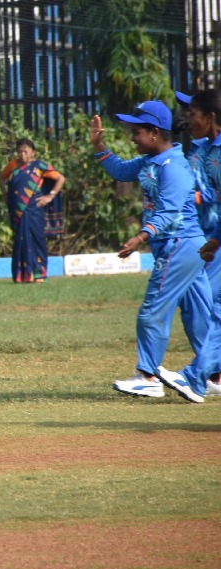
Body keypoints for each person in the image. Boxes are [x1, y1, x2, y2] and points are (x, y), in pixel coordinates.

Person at [90, 103, 212, 403]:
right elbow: (119, 169)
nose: (133, 138)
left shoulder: (175, 166)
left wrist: (140, 237)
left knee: (153, 310)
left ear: (155, 133)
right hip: (184, 247)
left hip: (179, 245)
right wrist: (98, 145)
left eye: (137, 132)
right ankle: (214, 376)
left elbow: (169, 211)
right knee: (199, 313)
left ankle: (147, 378)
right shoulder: (151, 162)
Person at [178, 90, 221, 398]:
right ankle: (207, 374)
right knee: (202, 305)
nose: (186, 117)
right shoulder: (202, 150)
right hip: (210, 235)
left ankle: (197, 375)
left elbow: (209, 194)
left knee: (206, 302)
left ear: (210, 117)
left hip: (212, 233)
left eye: (191, 112)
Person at [0, 138, 65, 284]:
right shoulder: (13, 165)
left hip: (34, 209)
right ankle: (22, 275)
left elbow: (60, 178)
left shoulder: (40, 166)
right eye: (20, 151)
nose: (22, 154)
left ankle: (39, 274)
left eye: (25, 151)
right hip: (17, 211)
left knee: (36, 240)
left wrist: (50, 196)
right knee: (19, 241)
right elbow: (2, 178)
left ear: (32, 152)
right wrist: (5, 195)